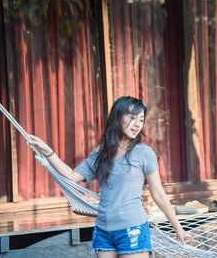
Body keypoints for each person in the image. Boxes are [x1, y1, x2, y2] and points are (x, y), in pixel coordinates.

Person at [28, 96, 191, 258]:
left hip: (132, 228)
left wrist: (178, 228)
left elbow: (158, 193)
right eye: (132, 118)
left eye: (141, 120)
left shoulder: (144, 152)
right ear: (118, 117)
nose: (137, 124)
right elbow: (72, 176)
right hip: (103, 230)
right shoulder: (101, 152)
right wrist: (47, 151)